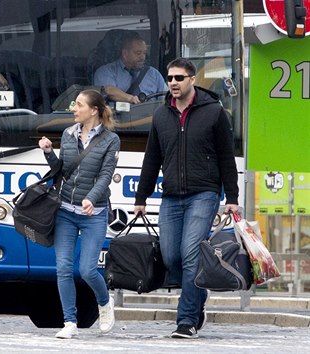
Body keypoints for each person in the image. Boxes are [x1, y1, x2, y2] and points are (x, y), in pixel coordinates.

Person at [133, 57, 239, 339]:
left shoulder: (214, 112)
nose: (173, 83)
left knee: (192, 253)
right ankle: (198, 298)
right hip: (171, 196)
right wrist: (141, 197)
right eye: (170, 78)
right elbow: (152, 158)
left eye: (179, 78)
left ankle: (186, 320)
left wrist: (232, 196)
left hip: (204, 193)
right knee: (171, 255)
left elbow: (227, 158)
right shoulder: (160, 115)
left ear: (192, 79)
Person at [39, 89, 120, 339]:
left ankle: (105, 303)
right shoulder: (68, 134)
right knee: (63, 268)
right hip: (65, 210)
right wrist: (48, 153)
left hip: (93, 213)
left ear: (93, 110)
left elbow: (106, 175)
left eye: (79, 105)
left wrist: (91, 198)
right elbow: (62, 171)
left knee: (86, 270)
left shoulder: (110, 140)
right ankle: (70, 322)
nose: (74, 109)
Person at [93, 33, 167, 105]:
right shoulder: (106, 71)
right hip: (119, 116)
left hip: (151, 116)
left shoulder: (153, 74)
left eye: (144, 53)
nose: (142, 58)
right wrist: (131, 99)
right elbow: (108, 90)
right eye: (138, 53)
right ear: (125, 53)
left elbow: (166, 96)